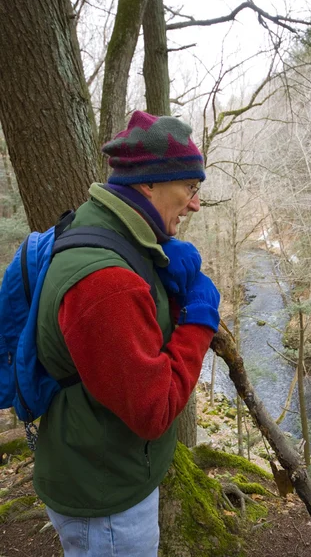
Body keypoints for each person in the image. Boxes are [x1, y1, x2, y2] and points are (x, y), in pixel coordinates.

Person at [33, 111, 220, 557]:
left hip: (96, 463)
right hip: (105, 499)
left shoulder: (100, 223)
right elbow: (154, 410)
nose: (195, 204)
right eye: (190, 188)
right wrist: (198, 318)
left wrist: (159, 254)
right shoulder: (107, 284)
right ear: (149, 185)